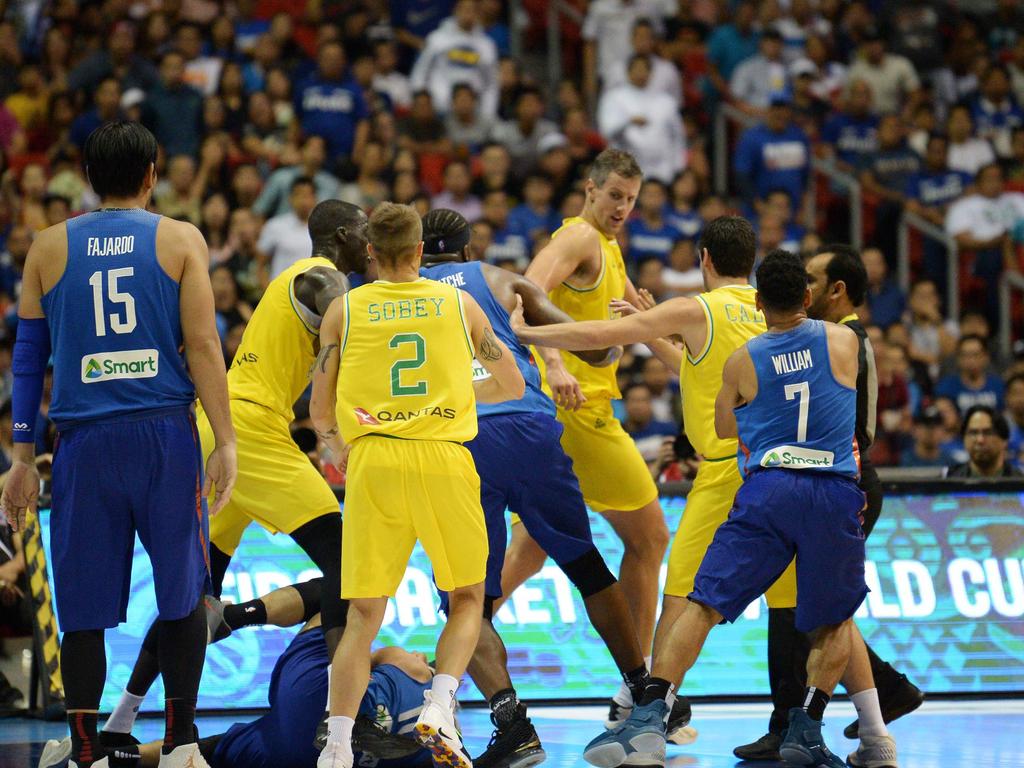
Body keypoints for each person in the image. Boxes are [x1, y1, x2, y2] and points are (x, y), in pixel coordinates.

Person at [559, 250, 895, 768]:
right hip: (833, 490)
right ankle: (820, 729)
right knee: (834, 619)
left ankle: (650, 715)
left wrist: (535, 336)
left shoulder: (744, 356)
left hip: (763, 487)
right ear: (807, 298)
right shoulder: (846, 340)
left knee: (698, 604)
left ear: (759, 302)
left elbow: (723, 427)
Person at [419, 209, 692, 766]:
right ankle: (643, 692)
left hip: (459, 438)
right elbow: (595, 349)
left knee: (464, 598)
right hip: (530, 426)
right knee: (587, 563)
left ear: (420, 252)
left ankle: (513, 725)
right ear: (469, 251)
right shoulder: (500, 280)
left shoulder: (402, 295)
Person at [1, 121, 237, 768]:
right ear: (152, 173)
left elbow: (28, 359)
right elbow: (205, 347)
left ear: (86, 175)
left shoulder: (47, 246)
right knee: (183, 591)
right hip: (164, 436)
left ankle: (87, 751)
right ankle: (184, 742)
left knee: (84, 606)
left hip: (84, 444)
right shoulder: (179, 237)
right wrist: (226, 439)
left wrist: (21, 457)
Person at [99, 200, 371, 746]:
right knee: (351, 562)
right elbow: (348, 318)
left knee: (196, 596)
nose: (371, 239)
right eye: (365, 229)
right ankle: (343, 721)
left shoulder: (292, 282)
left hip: (222, 428)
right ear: (342, 234)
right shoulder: (319, 277)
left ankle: (119, 721)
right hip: (247, 430)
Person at [511, 215, 799, 731]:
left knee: (680, 594)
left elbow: (603, 332)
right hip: (789, 472)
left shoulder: (693, 308)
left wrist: (530, 333)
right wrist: (660, 335)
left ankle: (648, 704)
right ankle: (866, 718)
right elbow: (704, 371)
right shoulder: (771, 314)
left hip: (725, 470)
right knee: (815, 609)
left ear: (704, 259)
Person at [310, 202, 525, 768]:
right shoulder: (459, 304)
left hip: (375, 459)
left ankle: (336, 745)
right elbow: (511, 381)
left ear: (372, 253)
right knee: (468, 598)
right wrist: (451, 398)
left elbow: (319, 412)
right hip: (443, 456)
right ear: (422, 251)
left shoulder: (345, 310)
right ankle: (440, 702)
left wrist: (342, 450)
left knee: (362, 616)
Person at [729, 245, 921, 761]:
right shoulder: (823, 340)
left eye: (810, 277)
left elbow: (855, 429)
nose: (801, 287)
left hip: (839, 481)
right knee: (818, 609)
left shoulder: (844, 341)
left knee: (807, 610)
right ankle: (877, 704)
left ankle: (795, 722)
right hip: (829, 481)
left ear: (831, 290)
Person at [508, 150, 671, 722]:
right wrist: (552, 363)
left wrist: (636, 318)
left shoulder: (608, 246)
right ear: (590, 188)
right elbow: (524, 290)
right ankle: (640, 687)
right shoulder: (578, 238)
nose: (624, 208)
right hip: (577, 412)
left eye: (631, 198)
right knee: (650, 538)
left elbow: (614, 324)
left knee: (529, 548)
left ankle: (445, 663)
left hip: (569, 412)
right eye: (615, 197)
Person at [39, 582, 434, 768]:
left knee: (343, 592)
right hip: (294, 755)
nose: (422, 655)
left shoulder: (418, 672)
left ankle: (232, 616)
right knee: (217, 747)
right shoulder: (433, 739)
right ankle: (115, 760)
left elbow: (371, 653)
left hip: (315, 698)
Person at [946, 405, 1024, 478]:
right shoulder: (947, 481)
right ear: (964, 439)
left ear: (1004, 441)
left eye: (988, 433)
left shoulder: (1020, 482)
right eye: (973, 433)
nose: (980, 440)